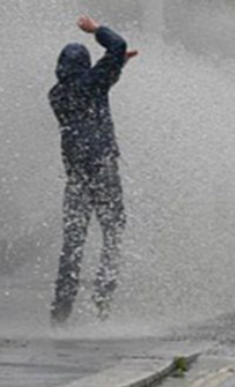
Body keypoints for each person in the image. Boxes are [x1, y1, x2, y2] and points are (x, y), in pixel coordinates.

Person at [49, 16, 138, 324]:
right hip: (102, 168)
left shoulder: (56, 94)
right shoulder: (91, 84)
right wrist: (96, 30)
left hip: (76, 176)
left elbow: (99, 86)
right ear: (86, 65)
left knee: (72, 243)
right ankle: (103, 299)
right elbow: (118, 46)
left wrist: (116, 68)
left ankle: (60, 312)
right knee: (112, 233)